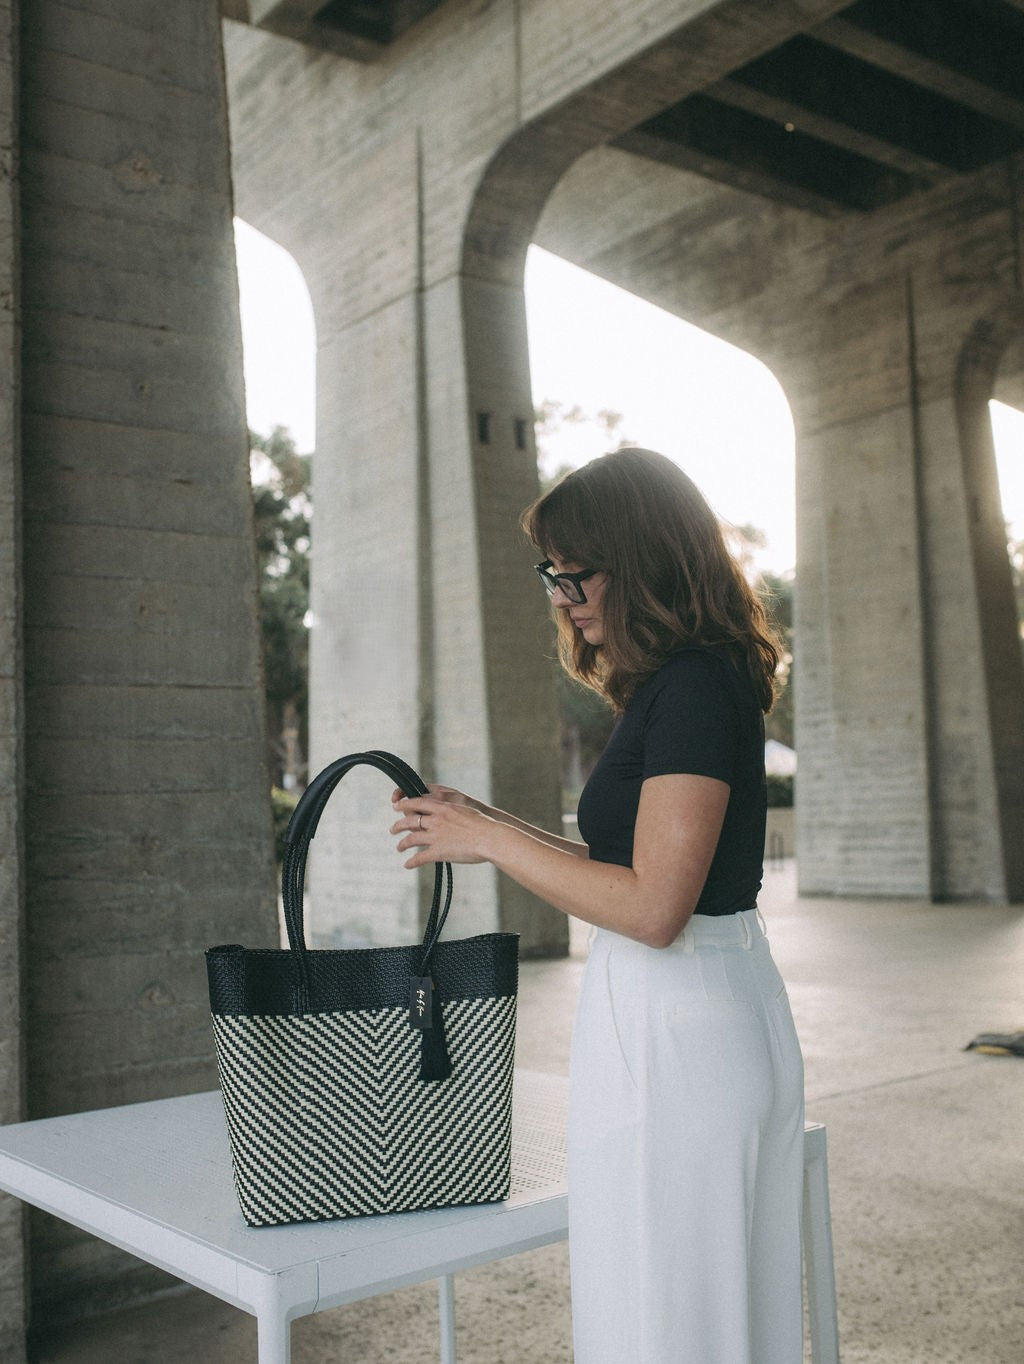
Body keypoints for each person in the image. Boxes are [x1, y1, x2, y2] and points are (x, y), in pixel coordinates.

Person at [390, 447, 805, 1364]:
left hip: (684, 1026)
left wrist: (492, 843)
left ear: (643, 561)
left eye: (574, 575)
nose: (561, 597)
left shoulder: (697, 685)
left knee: (672, 1316)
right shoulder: (678, 684)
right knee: (669, 1304)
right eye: (552, 576)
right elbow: (627, 867)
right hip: (678, 1013)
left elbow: (655, 906)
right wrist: (485, 819)